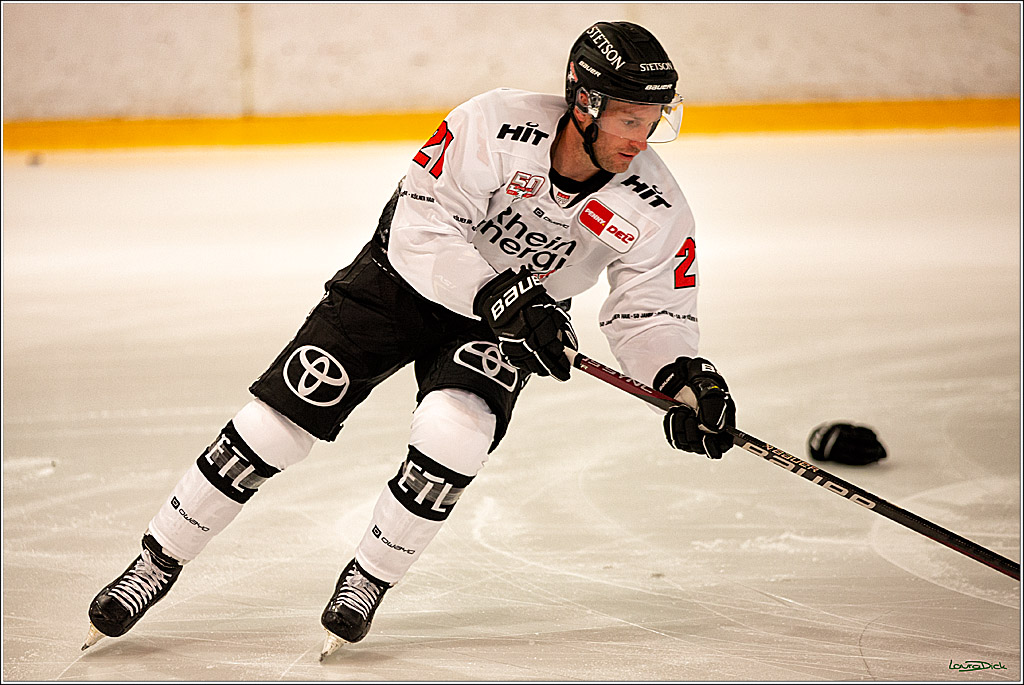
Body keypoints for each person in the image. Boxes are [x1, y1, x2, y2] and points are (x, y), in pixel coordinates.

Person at [83, 20, 737, 658]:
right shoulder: (491, 124)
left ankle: (368, 575)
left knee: (455, 432)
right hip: (401, 280)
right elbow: (421, 226)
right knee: (276, 421)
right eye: (630, 119)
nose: (642, 138)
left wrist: (680, 378)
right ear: (585, 104)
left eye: (655, 121)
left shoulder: (654, 203)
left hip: (508, 318)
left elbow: (651, 311)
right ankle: (155, 560)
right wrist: (499, 291)